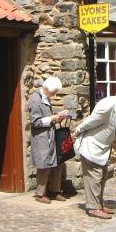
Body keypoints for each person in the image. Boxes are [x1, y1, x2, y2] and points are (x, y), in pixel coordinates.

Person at [73, 93, 116, 219]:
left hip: (102, 149)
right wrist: (78, 130)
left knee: (102, 176)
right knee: (94, 178)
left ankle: (98, 204)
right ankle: (93, 208)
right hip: (92, 146)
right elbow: (92, 121)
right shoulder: (108, 106)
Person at [28, 76, 69, 204]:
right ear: (46, 88)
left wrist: (59, 117)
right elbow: (35, 122)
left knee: (57, 162)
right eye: (54, 92)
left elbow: (47, 117)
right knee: (44, 165)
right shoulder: (35, 100)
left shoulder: (46, 98)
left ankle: (55, 191)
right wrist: (52, 118)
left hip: (50, 136)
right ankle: (40, 194)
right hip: (41, 138)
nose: (55, 95)